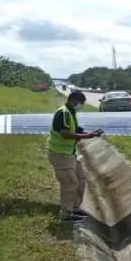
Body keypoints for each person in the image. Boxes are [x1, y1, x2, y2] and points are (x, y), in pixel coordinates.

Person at [47, 90, 103, 222]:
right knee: (70, 183)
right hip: (60, 154)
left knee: (81, 179)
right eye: (81, 103)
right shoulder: (63, 113)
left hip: (69, 153)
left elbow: (75, 129)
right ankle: (66, 214)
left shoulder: (71, 113)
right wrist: (87, 136)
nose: (81, 106)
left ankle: (75, 208)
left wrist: (91, 133)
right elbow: (65, 133)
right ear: (74, 101)